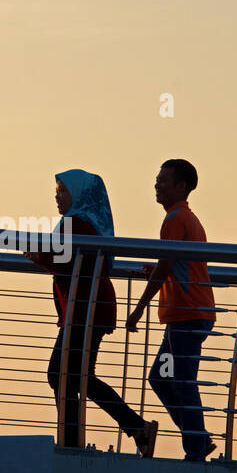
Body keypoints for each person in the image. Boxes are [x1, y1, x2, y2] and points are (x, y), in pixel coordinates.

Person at [26, 170, 158, 456]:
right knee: (73, 375)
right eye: (56, 191)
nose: (57, 196)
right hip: (87, 310)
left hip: (86, 311)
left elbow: (64, 259)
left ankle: (79, 439)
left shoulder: (76, 223)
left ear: (79, 194)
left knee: (64, 374)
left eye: (62, 190)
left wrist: (38, 256)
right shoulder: (85, 222)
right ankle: (130, 430)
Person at [125, 160, 217, 462]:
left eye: (163, 180)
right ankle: (198, 440)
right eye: (157, 179)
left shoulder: (175, 219)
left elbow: (166, 265)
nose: (157, 184)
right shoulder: (185, 218)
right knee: (163, 379)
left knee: (182, 381)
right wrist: (155, 271)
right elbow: (174, 265)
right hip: (187, 314)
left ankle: (196, 449)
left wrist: (139, 308)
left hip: (187, 314)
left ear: (181, 186)